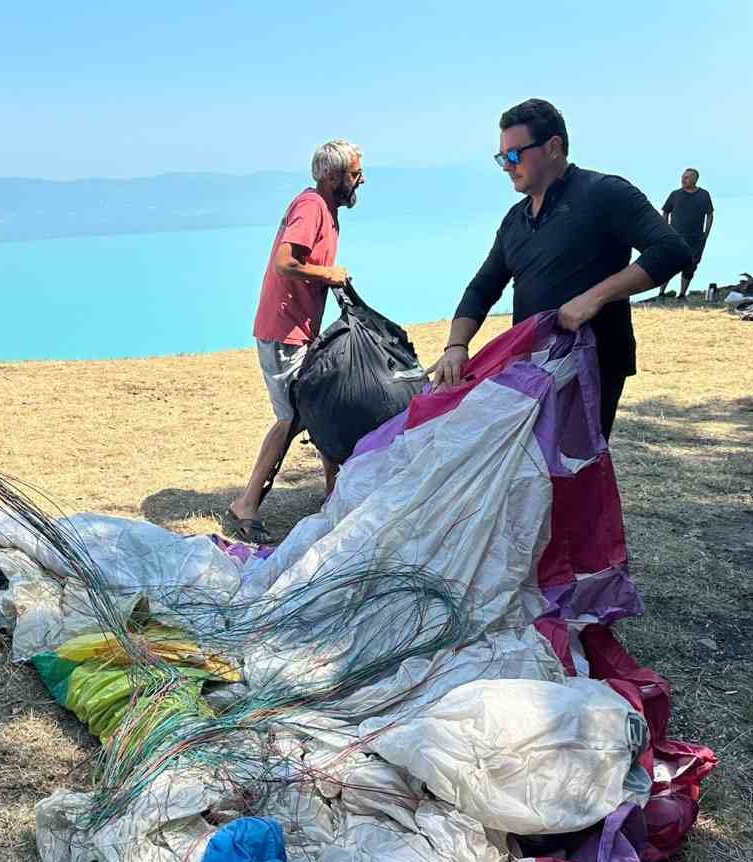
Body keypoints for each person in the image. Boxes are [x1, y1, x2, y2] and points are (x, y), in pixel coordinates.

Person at [428, 99, 690, 438]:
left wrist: (595, 298)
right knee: (529, 482)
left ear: (553, 147)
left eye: (514, 155)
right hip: (530, 369)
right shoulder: (514, 221)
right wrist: (456, 347)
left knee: (569, 479)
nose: (507, 166)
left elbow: (671, 250)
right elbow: (482, 288)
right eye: (501, 157)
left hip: (592, 365)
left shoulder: (605, 193)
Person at [226, 139, 363, 544]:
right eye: (355, 174)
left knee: (318, 406)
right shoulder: (311, 207)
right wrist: (329, 275)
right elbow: (286, 263)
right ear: (331, 176)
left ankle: (333, 495)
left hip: (298, 328)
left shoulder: (327, 211)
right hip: (283, 331)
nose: (361, 180)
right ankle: (246, 504)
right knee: (292, 418)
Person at [658, 168, 714, 299]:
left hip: (696, 238)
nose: (683, 179)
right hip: (674, 237)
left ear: (695, 179)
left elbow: (710, 214)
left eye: (687, 177)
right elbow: (666, 211)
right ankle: (661, 293)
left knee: (690, 266)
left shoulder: (704, 194)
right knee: (668, 264)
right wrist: (665, 229)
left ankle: (682, 294)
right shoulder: (675, 194)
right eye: (683, 177)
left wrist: (706, 233)